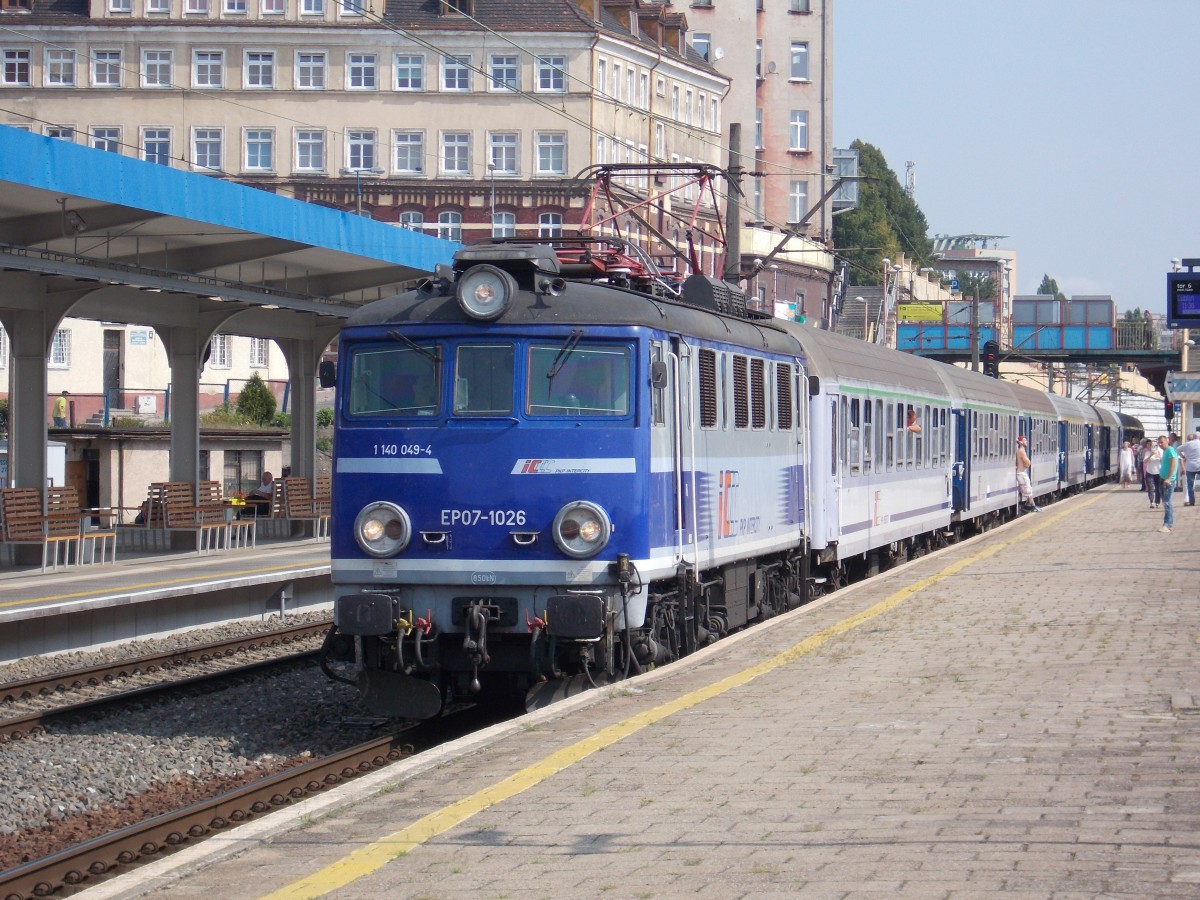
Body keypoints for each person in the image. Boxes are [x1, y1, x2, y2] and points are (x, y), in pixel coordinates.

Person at [1158, 434, 1180, 533]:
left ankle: (1167, 524)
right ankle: (1168, 524)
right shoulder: (1165, 451)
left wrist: (1168, 478)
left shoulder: (1170, 450)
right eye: (1159, 442)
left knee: (1167, 502)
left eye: (1161, 442)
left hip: (1168, 481)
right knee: (1165, 502)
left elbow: (1173, 464)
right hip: (1163, 479)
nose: (1160, 444)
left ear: (1167, 441)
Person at [1015, 435, 1039, 512]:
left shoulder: (1021, 451)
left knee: (1028, 491)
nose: (1026, 442)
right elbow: (1028, 463)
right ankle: (1031, 506)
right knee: (1028, 490)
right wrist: (1028, 463)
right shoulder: (1021, 451)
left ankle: (1031, 505)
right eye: (1025, 440)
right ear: (1021, 442)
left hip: (1021, 473)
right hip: (1021, 473)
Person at [1179, 432, 1200, 507]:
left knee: (1190, 485)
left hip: (1190, 466)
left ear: (1193, 437)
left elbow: (1178, 449)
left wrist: (1183, 457)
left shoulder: (1188, 444)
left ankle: (1192, 501)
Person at [1144, 438, 1163, 509]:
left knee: (1158, 488)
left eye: (1156, 445)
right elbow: (1145, 461)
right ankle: (1151, 502)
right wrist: (1151, 455)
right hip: (1150, 472)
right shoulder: (1148, 452)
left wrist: (1160, 457)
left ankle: (1157, 502)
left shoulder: (1161, 451)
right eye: (1152, 445)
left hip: (1158, 473)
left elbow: (1164, 461)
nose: (1154, 447)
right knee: (1151, 488)